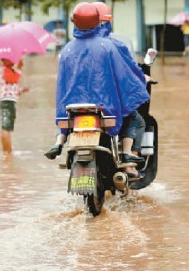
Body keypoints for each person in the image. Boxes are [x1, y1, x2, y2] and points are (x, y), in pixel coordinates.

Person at [47, 2, 149, 179]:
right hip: (105, 105)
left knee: (65, 120)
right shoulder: (108, 46)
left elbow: (62, 83)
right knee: (133, 116)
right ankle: (126, 153)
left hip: (72, 105)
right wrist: (139, 84)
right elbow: (125, 74)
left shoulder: (67, 49)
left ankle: (59, 141)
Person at [0, 59, 29, 156]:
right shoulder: (5, 70)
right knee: (6, 128)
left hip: (9, 100)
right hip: (8, 102)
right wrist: (19, 69)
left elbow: (12, 88)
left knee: (6, 127)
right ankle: (7, 152)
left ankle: (7, 151)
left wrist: (21, 90)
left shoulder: (8, 70)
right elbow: (12, 79)